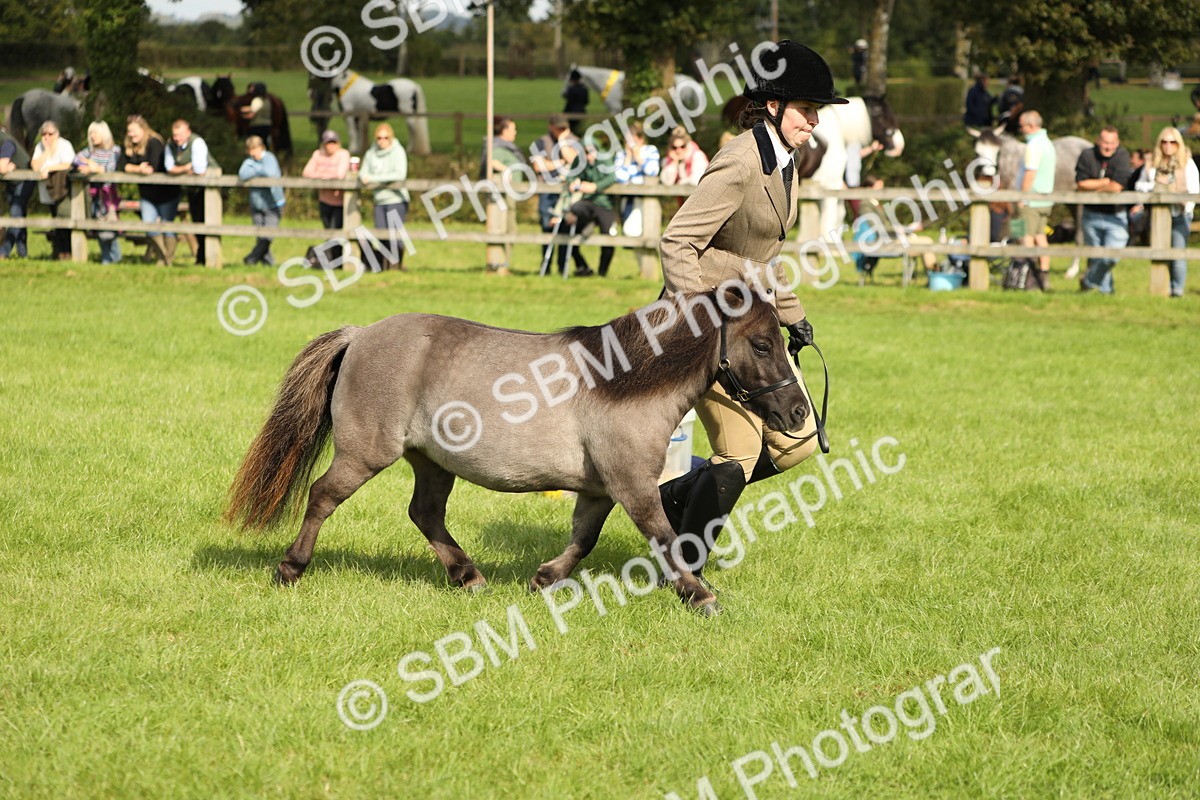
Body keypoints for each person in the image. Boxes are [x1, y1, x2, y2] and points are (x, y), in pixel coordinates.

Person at [657, 40, 839, 585]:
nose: (813, 122)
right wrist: (694, 319)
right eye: (807, 110)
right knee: (739, 451)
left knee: (800, 442)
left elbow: (764, 261)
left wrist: (794, 315)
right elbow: (677, 242)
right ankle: (685, 568)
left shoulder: (786, 164)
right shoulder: (739, 161)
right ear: (775, 107)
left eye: (816, 112)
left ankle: (667, 499)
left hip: (752, 326)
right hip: (708, 331)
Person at [1136, 127, 1198, 297]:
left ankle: (1177, 290)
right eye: (1164, 141)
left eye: (1172, 142)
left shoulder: (1187, 163)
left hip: (1179, 214)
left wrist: (1175, 193)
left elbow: (1194, 190)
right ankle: (1162, 289)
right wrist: (1157, 185)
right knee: (1160, 253)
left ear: (1179, 144)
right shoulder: (1152, 163)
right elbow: (1139, 186)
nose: (1168, 145)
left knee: (1178, 254)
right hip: (1157, 216)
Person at [549, 132, 618, 277]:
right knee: (570, 220)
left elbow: (611, 177)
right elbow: (571, 176)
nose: (588, 156)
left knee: (608, 237)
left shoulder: (604, 158)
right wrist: (573, 182)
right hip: (588, 202)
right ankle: (582, 265)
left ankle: (602, 273)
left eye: (590, 152)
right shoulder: (580, 160)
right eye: (584, 152)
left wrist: (595, 186)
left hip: (605, 204)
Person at [1076, 125, 1132, 294]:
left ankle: (1088, 281)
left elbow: (1117, 186)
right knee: (1097, 256)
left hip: (1116, 216)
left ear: (1117, 143)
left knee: (1111, 256)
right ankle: (1106, 293)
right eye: (1105, 142)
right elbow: (1081, 184)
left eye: (1112, 143)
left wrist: (1094, 186)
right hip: (1091, 214)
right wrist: (1106, 182)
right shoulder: (1087, 155)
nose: (1108, 146)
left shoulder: (1122, 155)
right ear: (1097, 141)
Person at [530, 114, 588, 276]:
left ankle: (562, 267)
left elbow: (575, 161)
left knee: (565, 229)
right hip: (547, 191)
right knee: (547, 227)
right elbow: (538, 166)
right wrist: (560, 162)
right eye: (558, 128)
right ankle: (545, 266)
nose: (561, 131)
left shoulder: (574, 141)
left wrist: (563, 143)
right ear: (551, 126)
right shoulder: (541, 142)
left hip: (568, 194)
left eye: (564, 128)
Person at [119, 115, 180, 265]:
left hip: (166, 194)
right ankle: (163, 257)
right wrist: (138, 168)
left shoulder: (154, 142)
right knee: (149, 224)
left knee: (167, 226)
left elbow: (152, 166)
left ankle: (167, 260)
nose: (131, 134)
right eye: (129, 131)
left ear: (143, 129)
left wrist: (133, 169)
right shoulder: (128, 146)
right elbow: (121, 165)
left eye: (134, 131)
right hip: (147, 195)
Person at [358, 122, 410, 271]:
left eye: (386, 137)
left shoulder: (398, 151)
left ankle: (397, 265)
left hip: (396, 199)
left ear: (391, 138)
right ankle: (386, 265)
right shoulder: (371, 153)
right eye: (379, 138)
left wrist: (373, 178)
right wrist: (366, 177)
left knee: (395, 235)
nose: (382, 140)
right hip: (379, 200)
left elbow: (399, 174)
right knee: (381, 233)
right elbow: (363, 173)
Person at [165, 119, 217, 265]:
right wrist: (186, 168)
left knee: (206, 223)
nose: (176, 139)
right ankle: (202, 258)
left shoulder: (197, 142)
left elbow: (199, 170)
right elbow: (169, 168)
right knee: (197, 222)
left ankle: (207, 258)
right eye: (175, 135)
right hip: (193, 189)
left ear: (188, 132)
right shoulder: (171, 144)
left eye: (179, 135)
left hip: (209, 189)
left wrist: (180, 170)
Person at [479, 116, 527, 276]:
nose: (515, 132)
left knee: (510, 229)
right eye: (512, 129)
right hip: (502, 196)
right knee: (505, 229)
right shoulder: (497, 147)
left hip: (509, 195)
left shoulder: (505, 146)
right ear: (503, 130)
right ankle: (499, 265)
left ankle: (503, 265)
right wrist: (506, 170)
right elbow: (491, 161)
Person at [72, 121, 122, 264]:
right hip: (93, 195)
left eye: (96, 133)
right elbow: (75, 160)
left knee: (109, 227)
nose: (93, 136)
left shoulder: (114, 150)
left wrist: (95, 168)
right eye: (91, 133)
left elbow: (111, 169)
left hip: (108, 196)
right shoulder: (90, 151)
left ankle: (114, 257)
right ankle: (106, 258)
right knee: (99, 228)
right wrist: (87, 166)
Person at [1016, 110, 1056, 285]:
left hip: (1031, 200)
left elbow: (1030, 172)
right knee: (1041, 237)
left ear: (1031, 126)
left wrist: (1022, 197)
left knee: (1025, 236)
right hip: (1045, 199)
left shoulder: (1034, 145)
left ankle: (1028, 277)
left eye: (1022, 126)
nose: (1021, 130)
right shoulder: (1047, 143)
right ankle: (1044, 275)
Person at [301, 129, 351, 270]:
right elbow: (307, 172)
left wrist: (320, 174)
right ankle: (332, 262)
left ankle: (336, 263)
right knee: (329, 231)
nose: (331, 146)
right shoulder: (318, 154)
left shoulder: (343, 154)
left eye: (333, 142)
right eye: (328, 142)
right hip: (324, 201)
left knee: (335, 233)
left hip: (339, 202)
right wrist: (327, 175)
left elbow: (340, 174)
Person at [30, 121, 75, 260]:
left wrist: (49, 168)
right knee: (55, 220)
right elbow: (35, 166)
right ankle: (59, 253)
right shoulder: (40, 147)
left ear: (57, 134)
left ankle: (67, 252)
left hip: (63, 189)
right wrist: (47, 151)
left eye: (50, 134)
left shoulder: (65, 145)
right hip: (48, 191)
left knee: (63, 219)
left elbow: (68, 164)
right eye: (44, 134)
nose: (47, 137)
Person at [237, 135, 285, 267]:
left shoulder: (269, 158)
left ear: (261, 147)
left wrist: (254, 170)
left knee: (268, 235)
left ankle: (251, 258)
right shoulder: (249, 161)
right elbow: (242, 174)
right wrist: (258, 170)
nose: (253, 152)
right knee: (260, 235)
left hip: (273, 204)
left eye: (255, 148)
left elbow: (270, 172)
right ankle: (268, 263)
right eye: (250, 149)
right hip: (256, 204)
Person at [613, 120, 660, 235]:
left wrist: (638, 157)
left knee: (644, 232)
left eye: (633, 141)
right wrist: (628, 158)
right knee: (630, 232)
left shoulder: (650, 150)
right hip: (628, 197)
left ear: (641, 139)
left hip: (646, 198)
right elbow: (620, 178)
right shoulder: (622, 155)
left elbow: (652, 171)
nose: (631, 145)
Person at [0, 125, 33, 260]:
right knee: (19, 216)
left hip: (24, 181)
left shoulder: (7, 142)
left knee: (15, 215)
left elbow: (2, 168)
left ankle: (3, 252)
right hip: (13, 182)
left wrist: (4, 166)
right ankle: (23, 253)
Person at [660, 127, 709, 208]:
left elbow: (696, 180)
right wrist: (674, 163)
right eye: (674, 147)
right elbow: (667, 182)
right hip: (684, 205)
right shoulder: (669, 160)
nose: (678, 150)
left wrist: (681, 182)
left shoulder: (697, 156)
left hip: (702, 202)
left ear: (687, 145)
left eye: (682, 146)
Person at [562, 69, 589, 135]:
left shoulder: (571, 89)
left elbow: (570, 102)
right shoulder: (584, 89)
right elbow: (586, 102)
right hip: (582, 112)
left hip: (572, 113)